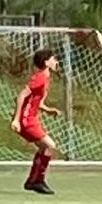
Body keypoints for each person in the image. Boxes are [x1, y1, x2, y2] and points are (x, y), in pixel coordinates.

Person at [13, 48, 62, 195]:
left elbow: (37, 102)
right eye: (53, 59)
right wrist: (16, 120)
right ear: (46, 63)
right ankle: (36, 181)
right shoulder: (40, 77)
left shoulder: (46, 78)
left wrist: (48, 110)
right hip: (26, 120)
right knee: (50, 145)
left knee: (44, 148)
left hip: (32, 119)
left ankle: (33, 181)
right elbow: (21, 96)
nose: (56, 61)